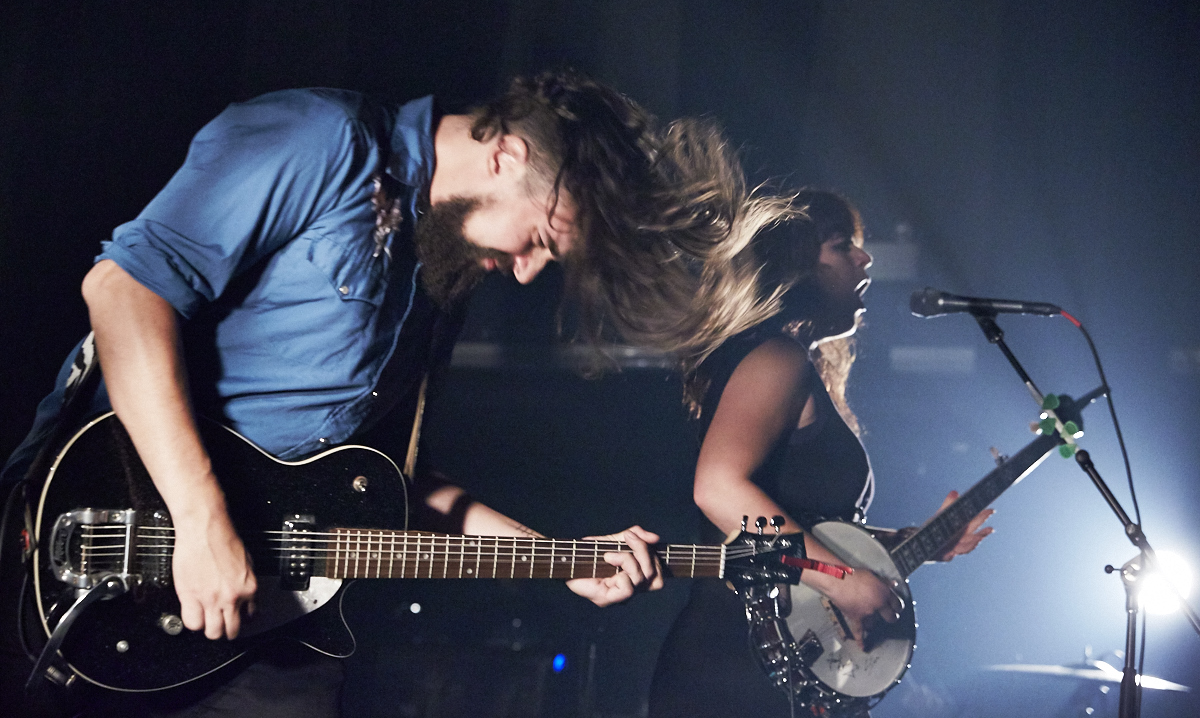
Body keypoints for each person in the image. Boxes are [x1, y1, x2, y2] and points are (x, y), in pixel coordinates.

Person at [2, 70, 787, 717]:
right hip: (103, 540)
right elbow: (125, 291)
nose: (525, 270)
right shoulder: (321, 140)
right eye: (542, 241)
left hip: (265, 623)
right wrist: (203, 520)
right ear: (508, 153)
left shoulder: (439, 274)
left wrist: (558, 558)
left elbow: (384, 483)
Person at [647, 190, 994, 718]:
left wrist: (909, 542)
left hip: (783, 666)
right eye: (842, 246)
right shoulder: (774, 359)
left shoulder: (794, 364)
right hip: (735, 669)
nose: (866, 258)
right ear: (797, 266)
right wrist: (844, 579)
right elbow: (718, 487)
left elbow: (814, 526)